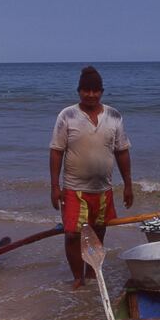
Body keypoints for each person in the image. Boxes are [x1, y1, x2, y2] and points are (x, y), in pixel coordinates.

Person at [49, 66, 134, 289]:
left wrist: (128, 185)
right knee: (72, 235)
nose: (90, 95)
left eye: (95, 91)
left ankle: (93, 272)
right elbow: (56, 151)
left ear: (102, 92)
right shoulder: (67, 115)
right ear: (79, 91)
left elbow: (122, 151)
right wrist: (54, 186)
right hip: (74, 189)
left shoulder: (114, 116)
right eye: (86, 90)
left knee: (98, 232)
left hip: (103, 189)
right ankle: (78, 277)